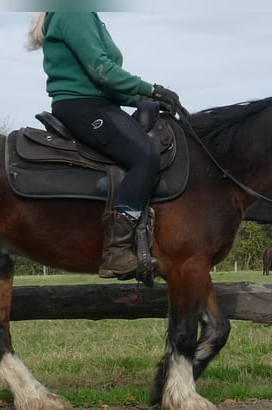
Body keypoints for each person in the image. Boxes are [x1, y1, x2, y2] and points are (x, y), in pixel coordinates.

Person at [27, 11, 181, 279]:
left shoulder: (86, 13)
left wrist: (144, 100)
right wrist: (151, 89)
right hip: (82, 107)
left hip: (96, 103)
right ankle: (117, 250)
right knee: (144, 156)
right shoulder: (74, 11)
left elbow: (104, 83)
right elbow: (101, 69)